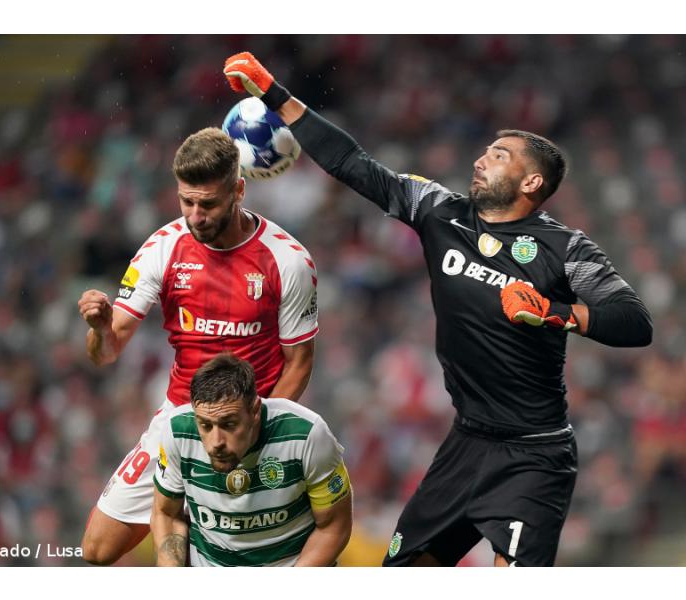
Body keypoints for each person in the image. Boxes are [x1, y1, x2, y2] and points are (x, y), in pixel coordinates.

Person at [223, 52, 653, 567]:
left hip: (535, 455)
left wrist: (558, 312)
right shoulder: (438, 211)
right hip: (466, 442)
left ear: (532, 183)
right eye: (486, 151)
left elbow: (635, 322)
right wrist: (275, 93)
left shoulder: (566, 250)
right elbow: (354, 165)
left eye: (498, 156)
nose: (481, 159)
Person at [77, 127, 319, 565]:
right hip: (182, 418)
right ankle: (185, 510)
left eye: (208, 204)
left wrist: (254, 435)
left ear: (239, 190)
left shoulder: (287, 260)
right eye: (186, 202)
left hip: (249, 425)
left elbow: (299, 363)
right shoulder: (162, 248)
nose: (196, 216)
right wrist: (99, 329)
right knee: (96, 548)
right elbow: (106, 352)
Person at [152, 352, 352, 566]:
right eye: (205, 425)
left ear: (255, 410)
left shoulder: (307, 435)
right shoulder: (177, 432)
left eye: (229, 424)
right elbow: (166, 514)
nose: (216, 441)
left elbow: (333, 527)